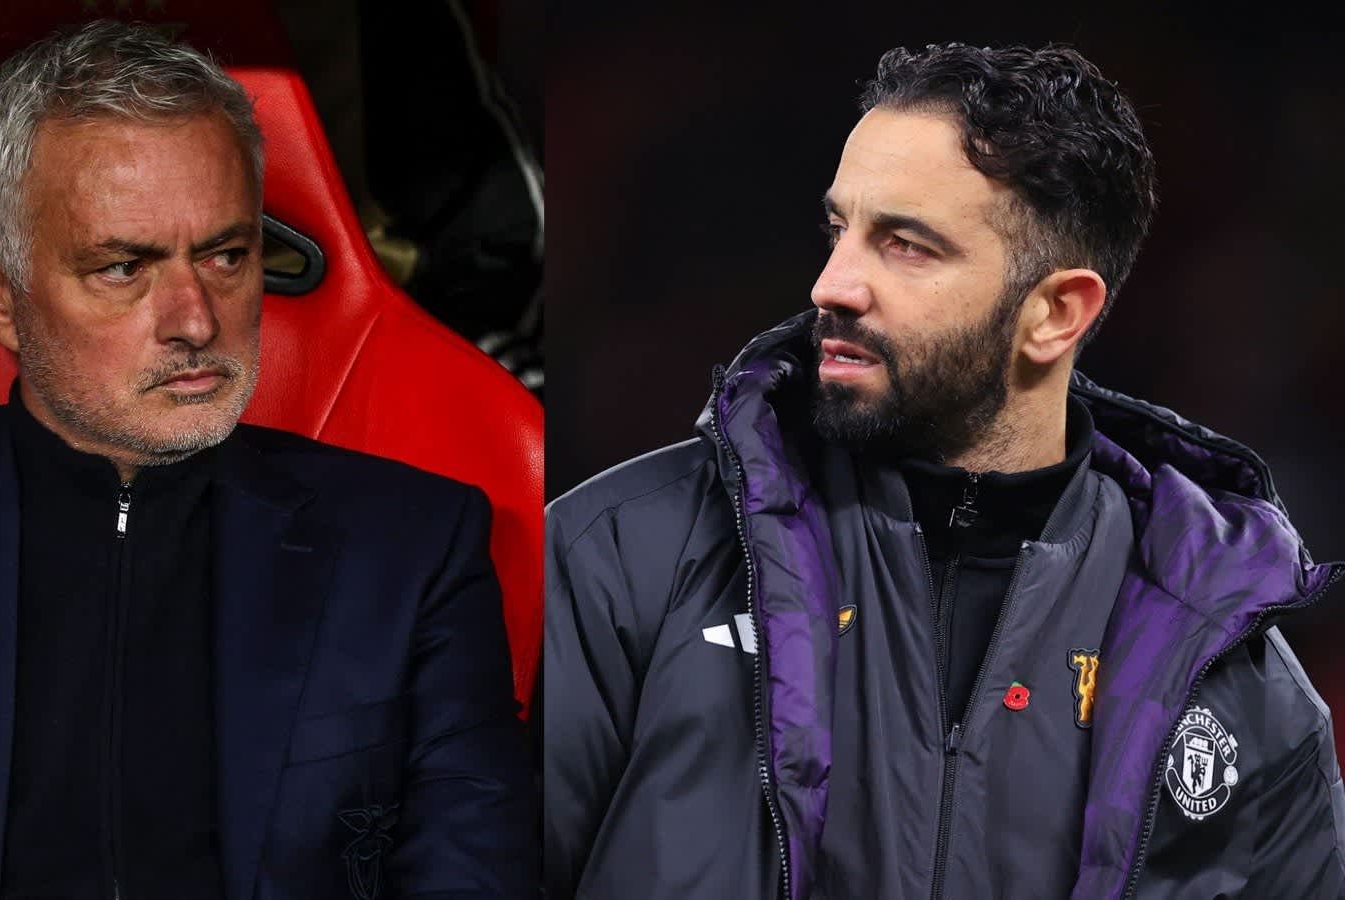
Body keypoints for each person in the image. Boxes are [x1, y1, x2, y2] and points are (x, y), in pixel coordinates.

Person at [0, 21, 533, 899]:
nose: (196, 320)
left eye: (228, 255)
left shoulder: (415, 546)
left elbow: (474, 870)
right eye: (124, 268)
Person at [544, 42, 1345, 899]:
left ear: (1055, 313)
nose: (832, 284)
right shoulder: (621, 558)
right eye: (838, 229)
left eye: (906, 245)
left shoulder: (1230, 669)